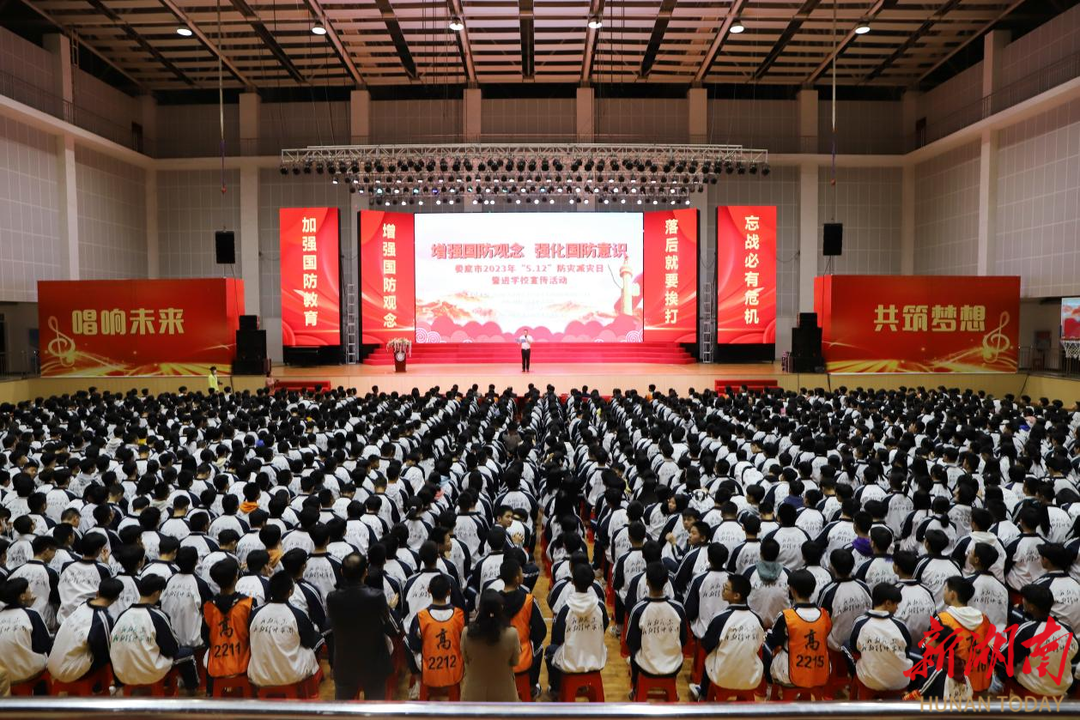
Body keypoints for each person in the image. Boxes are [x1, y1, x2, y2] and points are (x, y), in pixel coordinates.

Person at [325, 552, 399, 700]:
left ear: (342, 572)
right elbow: (393, 629)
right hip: (373, 665)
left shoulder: (332, 597)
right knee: (375, 708)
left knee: (343, 709)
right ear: (365, 572)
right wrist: (390, 608)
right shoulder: (376, 596)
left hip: (344, 664)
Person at [110, 573, 200, 692]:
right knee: (187, 653)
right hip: (149, 673)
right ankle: (192, 689)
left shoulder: (123, 615)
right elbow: (172, 648)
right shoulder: (157, 616)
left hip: (122, 673)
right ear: (157, 593)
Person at [690, 573, 765, 702]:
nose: (722, 590)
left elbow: (706, 645)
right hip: (752, 678)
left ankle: (703, 692)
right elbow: (758, 645)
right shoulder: (757, 618)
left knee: (712, 654)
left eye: (726, 588)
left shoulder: (721, 618)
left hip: (722, 678)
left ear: (736, 596)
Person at [247, 572, 323, 691]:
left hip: (258, 676)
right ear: (290, 592)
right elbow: (309, 641)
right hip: (292, 675)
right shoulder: (298, 614)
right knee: (317, 638)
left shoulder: (255, 613)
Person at [766, 568, 832, 698]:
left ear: (792, 590)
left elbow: (774, 641)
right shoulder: (824, 615)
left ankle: (768, 686)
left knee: (766, 645)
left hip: (789, 673)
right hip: (820, 671)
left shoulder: (786, 616)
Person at [1002, 584, 1077, 698]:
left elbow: (1004, 657)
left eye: (1025, 599)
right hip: (1062, 691)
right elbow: (1075, 658)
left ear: (1031, 607)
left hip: (1033, 691)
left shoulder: (1026, 630)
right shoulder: (1067, 629)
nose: (1022, 601)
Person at [626, 561, 688, 697]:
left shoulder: (639, 609)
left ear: (647, 582)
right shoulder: (678, 608)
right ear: (666, 581)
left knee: (633, 654)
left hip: (646, 666)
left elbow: (631, 642)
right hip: (674, 665)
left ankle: (636, 689)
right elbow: (684, 639)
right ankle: (672, 690)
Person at [545, 563, 608, 697]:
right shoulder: (601, 607)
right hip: (596, 659)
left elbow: (557, 638)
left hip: (571, 663)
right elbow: (604, 626)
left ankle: (555, 689)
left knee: (550, 650)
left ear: (572, 582)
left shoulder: (565, 609)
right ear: (592, 583)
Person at [924, 576, 994, 693]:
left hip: (956, 685)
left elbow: (927, 650)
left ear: (952, 594)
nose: (943, 592)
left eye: (945, 589)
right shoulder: (983, 618)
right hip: (982, 683)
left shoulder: (942, 619)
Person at [47, 578, 122, 687]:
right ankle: (102, 688)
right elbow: (105, 653)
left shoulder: (83, 605)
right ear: (116, 598)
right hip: (68, 672)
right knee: (109, 653)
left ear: (97, 592)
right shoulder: (102, 618)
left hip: (51, 664)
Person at [846, 583, 914, 698]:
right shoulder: (900, 625)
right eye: (896, 604)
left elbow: (855, 651)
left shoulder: (860, 623)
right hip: (900, 682)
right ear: (887, 603)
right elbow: (907, 651)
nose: (897, 608)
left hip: (870, 683)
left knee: (846, 646)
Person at [408, 573, 466, 699]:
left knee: (408, 642)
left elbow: (414, 645)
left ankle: (418, 684)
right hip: (454, 668)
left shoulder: (420, 617)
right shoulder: (459, 615)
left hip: (428, 669)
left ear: (429, 591)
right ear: (449, 592)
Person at [497, 558, 546, 700]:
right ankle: (532, 686)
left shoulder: (494, 601)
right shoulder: (529, 600)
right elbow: (541, 631)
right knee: (538, 647)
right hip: (521, 658)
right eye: (521, 572)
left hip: (498, 658)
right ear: (517, 578)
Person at [201, 558, 254, 689]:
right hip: (243, 665)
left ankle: (210, 691)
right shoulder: (248, 604)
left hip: (216, 667)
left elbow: (205, 637)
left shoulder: (208, 607)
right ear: (236, 578)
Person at [461, 589, 520, 702]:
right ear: (501, 608)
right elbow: (515, 661)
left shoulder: (466, 633)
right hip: (505, 695)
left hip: (473, 695)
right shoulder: (512, 634)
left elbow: (465, 659)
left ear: (480, 608)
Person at [0, 578, 52, 686]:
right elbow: (44, 646)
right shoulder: (32, 615)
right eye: (29, 589)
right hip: (28, 673)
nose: (32, 591)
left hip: (2, 676)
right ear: (22, 596)